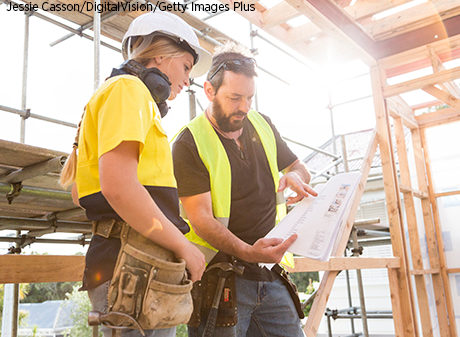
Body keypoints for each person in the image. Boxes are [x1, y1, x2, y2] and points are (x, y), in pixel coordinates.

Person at [59, 11, 212, 337]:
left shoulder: (118, 94)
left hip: (133, 261)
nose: (188, 80)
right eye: (185, 66)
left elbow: (82, 192)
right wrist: (183, 247)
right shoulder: (129, 91)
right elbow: (119, 188)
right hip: (133, 264)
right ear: (160, 54)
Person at [172, 42, 318, 337]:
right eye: (235, 97)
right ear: (209, 91)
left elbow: (299, 167)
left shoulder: (262, 124)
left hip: (269, 274)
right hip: (219, 277)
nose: (244, 107)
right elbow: (201, 220)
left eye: (249, 97)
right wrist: (249, 252)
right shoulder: (188, 143)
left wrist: (295, 177)